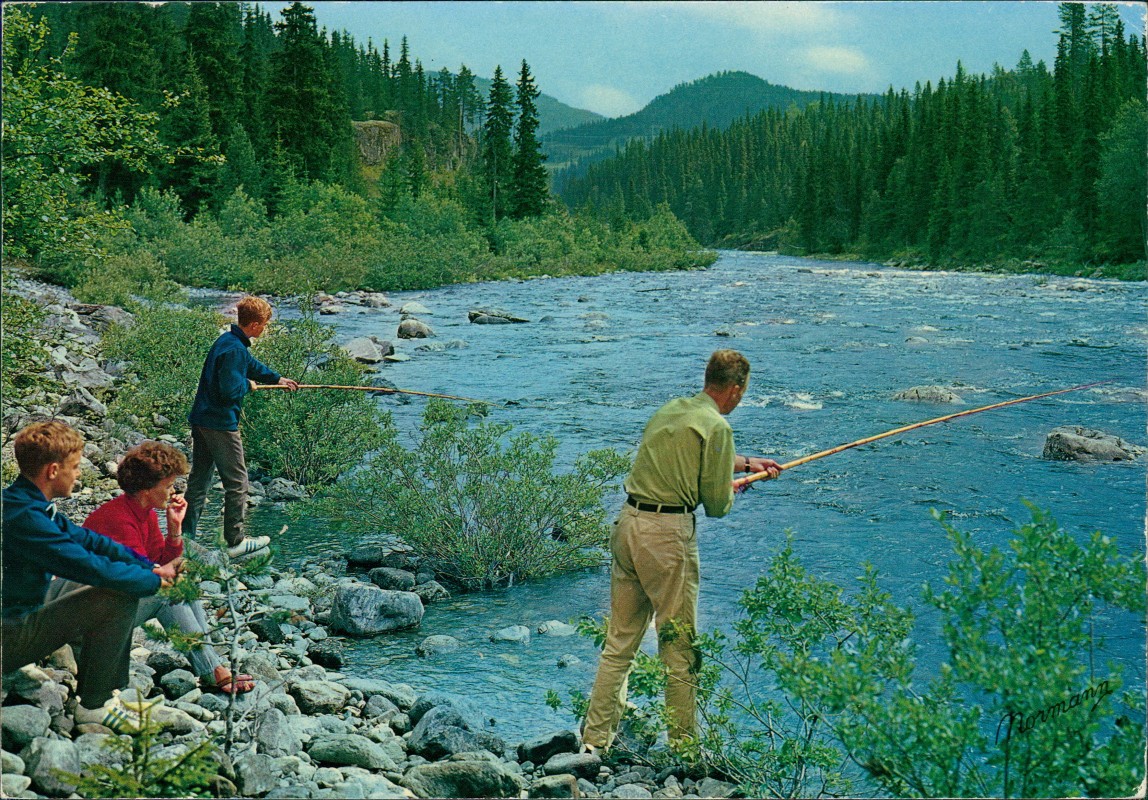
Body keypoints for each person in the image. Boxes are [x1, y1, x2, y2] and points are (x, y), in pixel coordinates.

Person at [581, 349, 781, 753]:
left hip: (627, 526)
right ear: (736, 389)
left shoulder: (673, 410)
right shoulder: (718, 426)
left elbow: (685, 457)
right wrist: (736, 485)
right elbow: (717, 506)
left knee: (620, 643)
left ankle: (594, 742)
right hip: (666, 539)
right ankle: (685, 749)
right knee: (679, 648)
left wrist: (742, 464)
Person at [2, 421, 178, 734]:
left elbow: (88, 540)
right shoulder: (26, 516)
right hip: (8, 636)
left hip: (17, 614)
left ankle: (111, 693)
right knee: (117, 594)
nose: (79, 473)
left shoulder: (25, 501)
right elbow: (86, 565)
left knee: (121, 579)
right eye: (74, 466)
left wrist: (147, 567)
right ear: (54, 471)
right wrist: (153, 582)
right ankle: (93, 707)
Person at [48, 441, 256, 694]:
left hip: (103, 605)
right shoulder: (118, 519)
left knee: (182, 585)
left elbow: (162, 560)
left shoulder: (142, 512)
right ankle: (212, 670)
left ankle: (211, 662)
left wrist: (175, 529)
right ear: (147, 489)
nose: (172, 491)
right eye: (168, 486)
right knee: (166, 592)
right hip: (81, 619)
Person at [184, 295, 298, 558]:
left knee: (199, 481)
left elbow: (250, 365)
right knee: (238, 482)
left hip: (202, 419)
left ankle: (184, 537)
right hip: (220, 424)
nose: (266, 328)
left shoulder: (228, 341)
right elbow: (229, 389)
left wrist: (277, 378)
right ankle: (235, 542)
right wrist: (247, 384)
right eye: (265, 324)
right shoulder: (235, 349)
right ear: (256, 325)